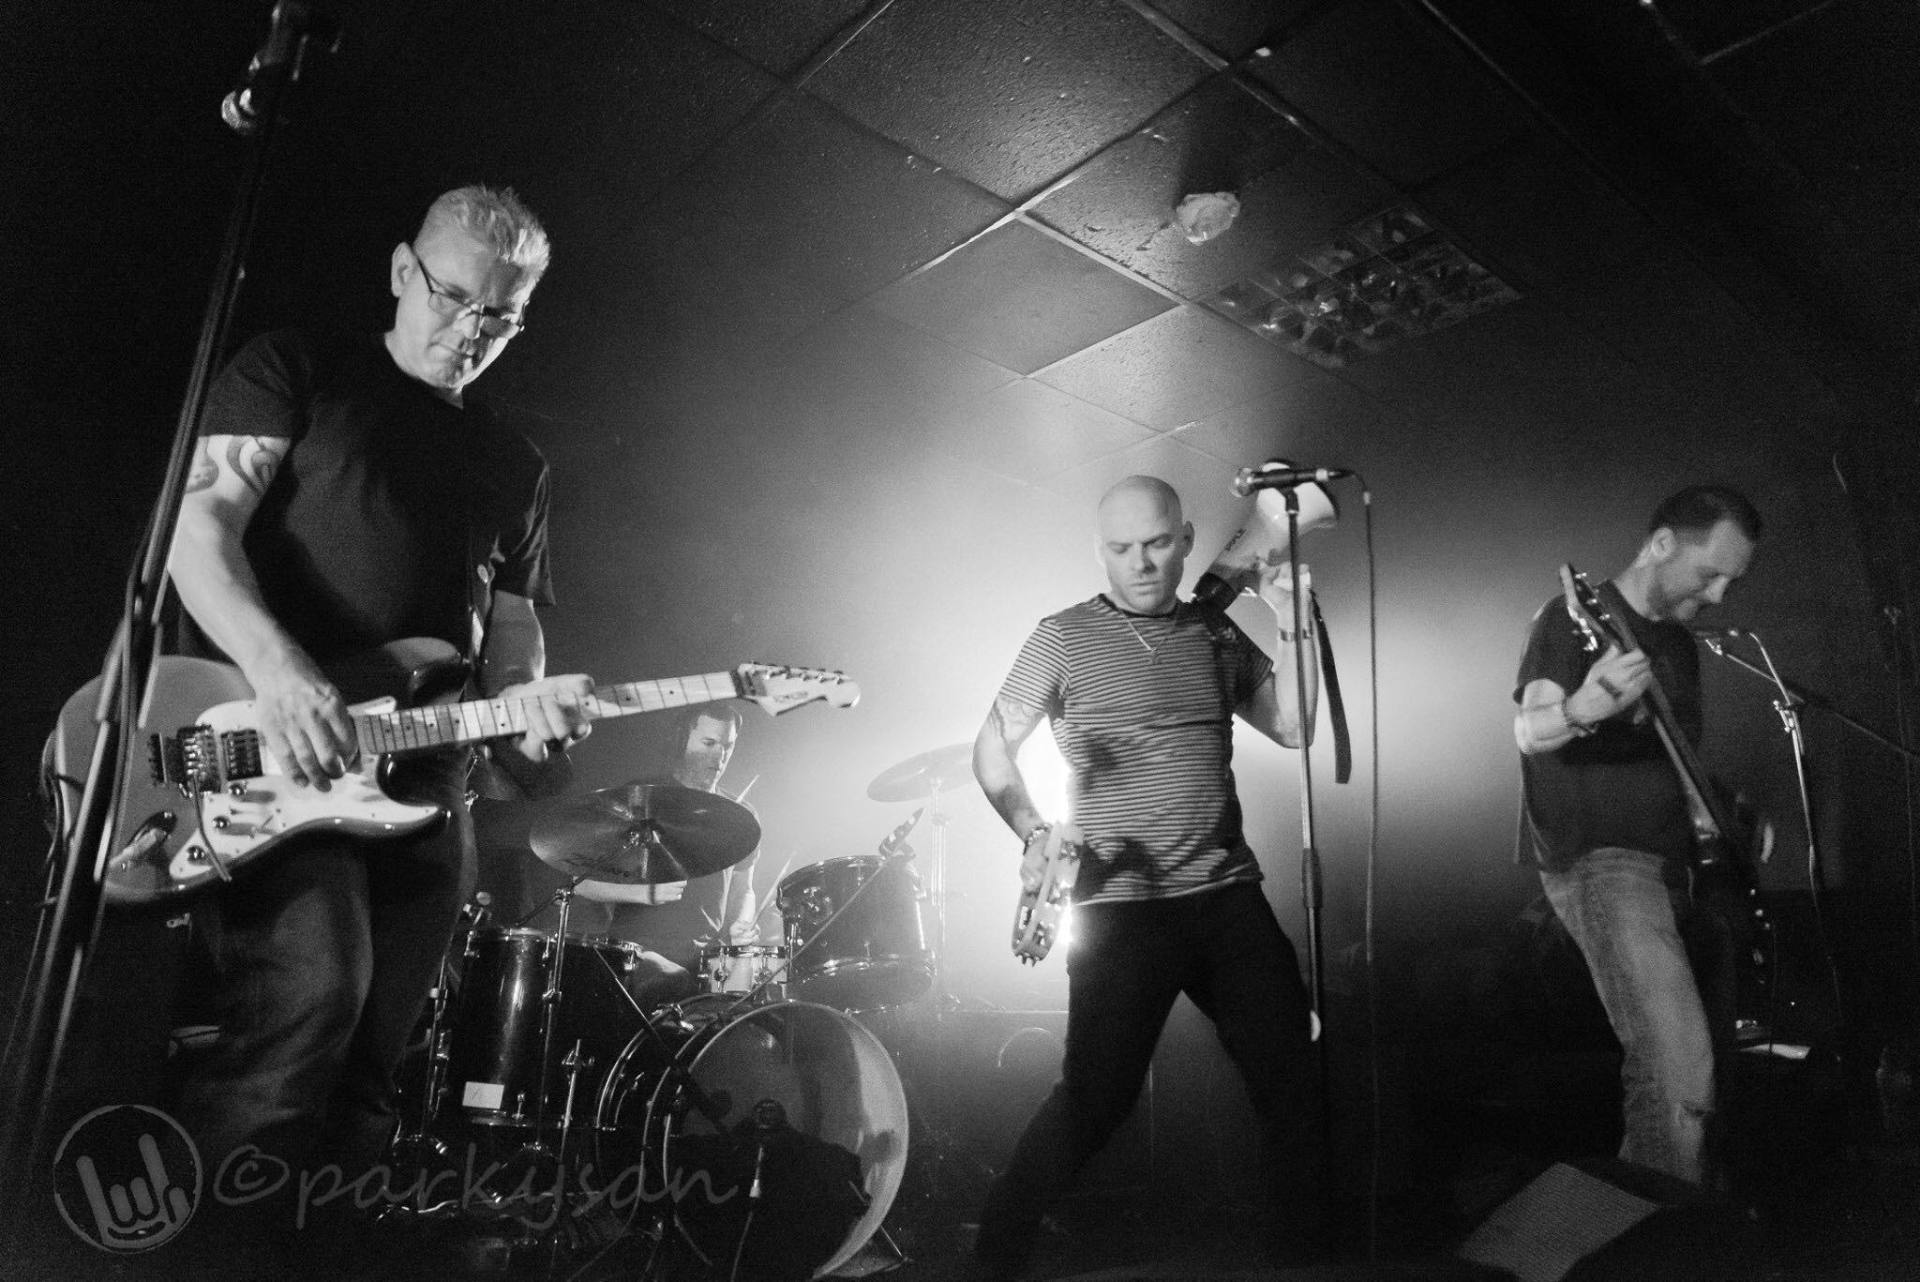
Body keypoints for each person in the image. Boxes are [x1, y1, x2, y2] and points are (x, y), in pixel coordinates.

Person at [165, 185, 595, 1245]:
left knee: (374, 1060)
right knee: (308, 1000)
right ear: (404, 270)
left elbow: (511, 634)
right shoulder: (297, 368)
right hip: (272, 754)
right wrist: (282, 669)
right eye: (453, 298)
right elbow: (198, 532)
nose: (470, 332)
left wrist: (524, 711)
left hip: (425, 781)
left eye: (500, 319)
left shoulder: (518, 464)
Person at [969, 474, 1328, 1273]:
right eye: (1121, 548)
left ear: (1187, 539)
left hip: (1226, 895)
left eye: (1157, 544)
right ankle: (992, 1262)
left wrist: (1293, 623)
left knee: (1295, 1081)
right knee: (1095, 1106)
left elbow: (1296, 727)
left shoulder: (1214, 633)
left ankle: (1307, 1264)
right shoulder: (1062, 637)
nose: (1140, 563)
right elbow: (992, 746)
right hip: (1121, 907)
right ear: (1100, 550)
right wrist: (1030, 829)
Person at [1511, 484, 1762, 1186]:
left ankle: (1645, 1231)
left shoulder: (1679, 649)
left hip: (1677, 875)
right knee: (1677, 1073)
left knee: (1701, 1085)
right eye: (1708, 572)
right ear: (1659, 546)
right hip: (1604, 865)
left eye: (1730, 582)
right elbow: (1531, 729)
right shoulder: (1571, 619)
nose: (1717, 595)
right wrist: (1587, 705)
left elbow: (1679, 765)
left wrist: (1730, 813)